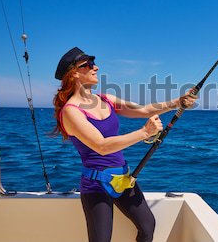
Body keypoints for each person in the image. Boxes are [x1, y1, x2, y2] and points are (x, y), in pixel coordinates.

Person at [52, 47, 197, 242]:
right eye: (88, 64)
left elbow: (144, 110)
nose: (96, 67)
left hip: (123, 178)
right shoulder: (71, 111)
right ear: (74, 73)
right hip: (96, 185)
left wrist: (178, 102)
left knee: (148, 227)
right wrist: (144, 132)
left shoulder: (106, 99)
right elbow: (101, 145)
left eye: (94, 63)